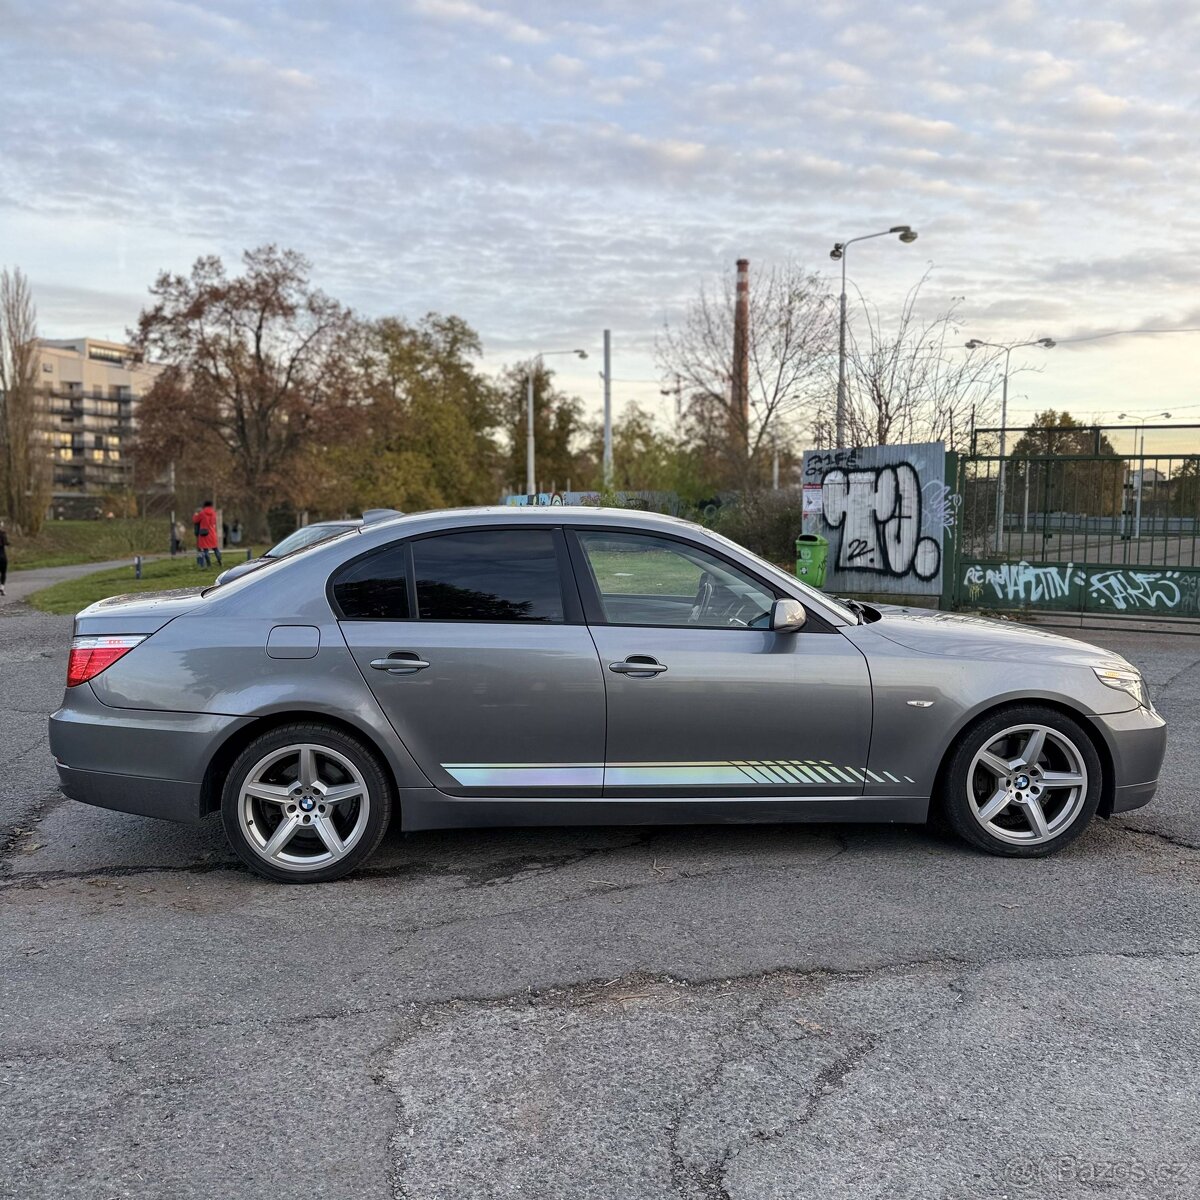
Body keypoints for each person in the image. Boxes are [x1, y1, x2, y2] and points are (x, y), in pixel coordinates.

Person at [191, 500, 223, 568]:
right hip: (212, 533)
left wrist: (195, 514)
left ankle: (209, 564)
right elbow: (214, 522)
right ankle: (220, 562)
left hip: (204, 533)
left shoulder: (202, 513)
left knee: (205, 549)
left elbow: (195, 520)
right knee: (215, 548)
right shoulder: (214, 513)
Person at [0, 520, 8, 596]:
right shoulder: (3, 534)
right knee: (3, 572)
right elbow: (6, 543)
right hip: (2, 556)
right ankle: (2, 588)